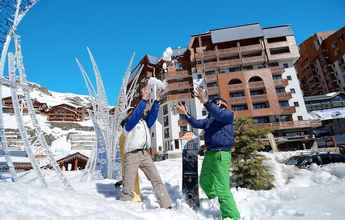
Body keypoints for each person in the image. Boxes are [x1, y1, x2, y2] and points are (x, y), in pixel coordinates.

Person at [176, 88, 240, 220]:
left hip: (221, 154)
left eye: (216, 104)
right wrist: (186, 114)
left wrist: (206, 101)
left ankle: (232, 216)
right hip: (210, 154)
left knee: (222, 188)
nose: (214, 106)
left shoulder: (227, 115)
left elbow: (219, 114)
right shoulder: (210, 121)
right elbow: (196, 123)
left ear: (222, 106)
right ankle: (216, 202)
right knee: (204, 181)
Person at [120, 85, 172, 209]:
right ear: (128, 114)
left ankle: (166, 205)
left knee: (156, 179)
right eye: (131, 111)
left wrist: (157, 101)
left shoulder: (143, 122)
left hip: (144, 154)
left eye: (135, 110)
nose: (135, 112)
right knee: (128, 184)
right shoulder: (128, 124)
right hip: (132, 155)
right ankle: (123, 210)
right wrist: (143, 100)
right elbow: (136, 115)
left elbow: (152, 117)